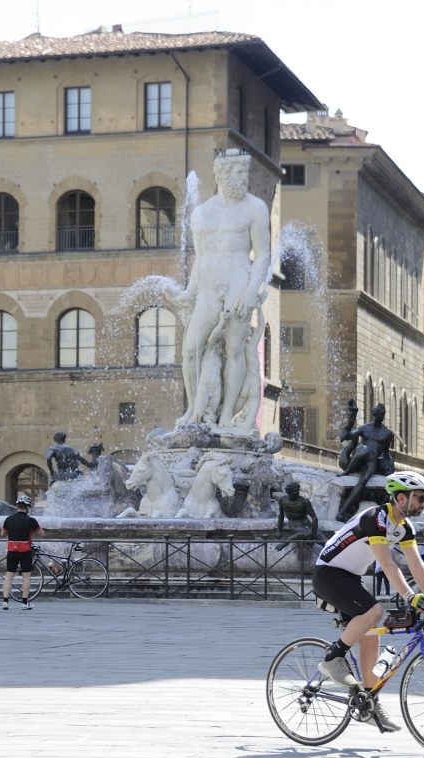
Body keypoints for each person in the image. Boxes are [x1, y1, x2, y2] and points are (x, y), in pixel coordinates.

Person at [312, 470, 424, 733]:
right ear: (401, 498)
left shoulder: (404, 527)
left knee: (371, 637)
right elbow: (387, 563)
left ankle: (368, 704)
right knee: (374, 611)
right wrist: (409, 596)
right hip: (328, 573)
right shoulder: (376, 518)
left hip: (350, 577)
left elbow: (416, 563)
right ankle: (332, 660)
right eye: (420, 498)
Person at [172, 148, 271, 431]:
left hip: (239, 279)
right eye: (240, 173)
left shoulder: (255, 208)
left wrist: (252, 291)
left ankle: (226, 415)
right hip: (207, 284)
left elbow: (262, 254)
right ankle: (194, 410)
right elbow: (199, 258)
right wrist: (188, 293)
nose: (245, 178)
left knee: (234, 347)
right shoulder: (202, 213)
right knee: (191, 348)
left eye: (245, 172)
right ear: (224, 174)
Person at [1, 495, 42, 610]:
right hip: (26, 551)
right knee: (26, 577)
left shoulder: (8, 519)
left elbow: (2, 534)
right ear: (27, 507)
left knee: (9, 576)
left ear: (17, 506)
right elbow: (41, 533)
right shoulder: (31, 520)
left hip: (12, 550)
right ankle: (24, 603)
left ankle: (5, 602)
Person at [274, 482, 319, 551]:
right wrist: (279, 531)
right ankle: (284, 544)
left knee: (324, 539)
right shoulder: (282, 500)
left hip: (307, 524)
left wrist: (314, 533)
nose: (297, 492)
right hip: (295, 524)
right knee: (307, 533)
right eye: (295, 491)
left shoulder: (304, 502)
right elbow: (281, 515)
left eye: (298, 490)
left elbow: (314, 517)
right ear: (289, 492)